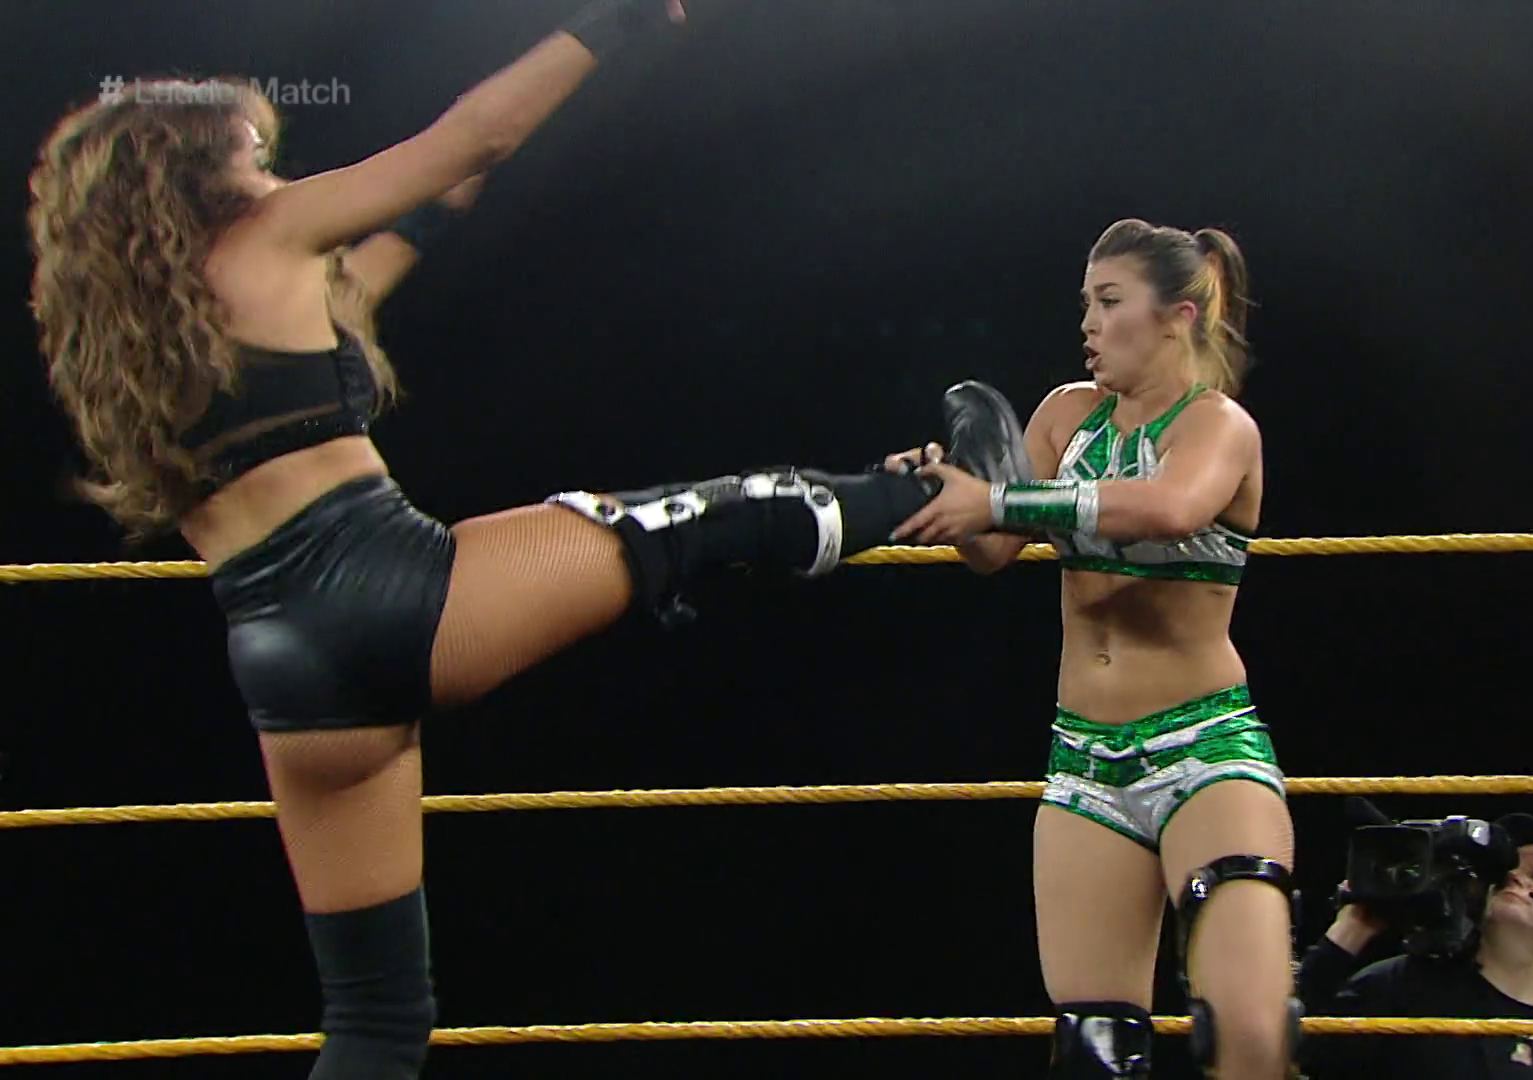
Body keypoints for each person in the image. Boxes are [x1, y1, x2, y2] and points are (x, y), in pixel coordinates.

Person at [23, 3, 1029, 1077]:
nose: (273, 173)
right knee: (715, 514)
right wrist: (614, 22)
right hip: (394, 597)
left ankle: (924, 499)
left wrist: (443, 198)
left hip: (286, 678)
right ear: (191, 173)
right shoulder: (271, 234)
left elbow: (382, 259)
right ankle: (962, 498)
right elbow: (474, 136)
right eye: (252, 157)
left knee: (375, 1025)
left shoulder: (146, 345)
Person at [888, 219, 1295, 1079]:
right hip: (1083, 761)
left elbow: (1171, 509)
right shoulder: (1066, 414)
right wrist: (945, 497)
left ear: (1178, 316)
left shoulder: (1218, 426)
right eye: (1086, 304)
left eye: (1110, 302)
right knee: (1094, 1052)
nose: (1088, 324)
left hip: (1204, 750)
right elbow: (995, 550)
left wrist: (1000, 501)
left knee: (1250, 1037)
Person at [1294, 813, 1533, 1079]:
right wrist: (1353, 925)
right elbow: (1293, 1050)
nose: (1515, 878)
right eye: (1507, 874)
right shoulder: (1402, 986)